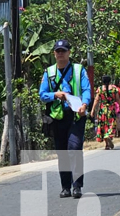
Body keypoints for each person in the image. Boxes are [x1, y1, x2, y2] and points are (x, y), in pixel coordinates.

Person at [39, 39, 91, 199]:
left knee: (74, 149)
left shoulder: (78, 70)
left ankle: (77, 186)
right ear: (54, 54)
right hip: (57, 117)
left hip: (76, 116)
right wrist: (55, 95)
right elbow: (42, 95)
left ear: (69, 52)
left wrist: (84, 104)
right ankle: (65, 187)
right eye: (58, 51)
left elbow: (86, 89)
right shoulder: (49, 72)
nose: (60, 53)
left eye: (63, 51)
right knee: (62, 152)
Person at [90, 75, 120, 150]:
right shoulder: (114, 89)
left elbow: (96, 100)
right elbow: (118, 99)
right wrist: (119, 108)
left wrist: (93, 110)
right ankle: (109, 136)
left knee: (104, 126)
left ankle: (107, 144)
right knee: (111, 124)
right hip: (111, 110)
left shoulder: (100, 89)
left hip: (102, 110)